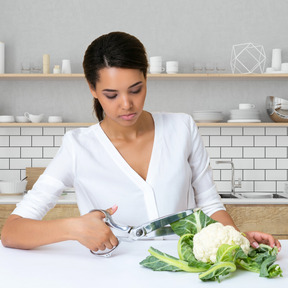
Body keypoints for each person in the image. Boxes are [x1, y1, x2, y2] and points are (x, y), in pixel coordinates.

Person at [1, 31, 281, 253]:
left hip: (183, 271)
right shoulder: (78, 146)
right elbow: (12, 231)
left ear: (146, 78)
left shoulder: (181, 128)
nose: (127, 104)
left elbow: (209, 204)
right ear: (92, 89)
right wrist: (73, 228)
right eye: (111, 95)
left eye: (136, 89)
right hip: (109, 276)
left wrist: (238, 242)